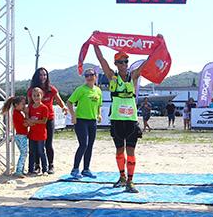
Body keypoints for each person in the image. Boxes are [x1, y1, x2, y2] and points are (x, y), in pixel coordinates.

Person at [94, 40, 159, 194]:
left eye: (126, 61)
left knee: (130, 151)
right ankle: (122, 177)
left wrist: (156, 46)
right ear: (116, 64)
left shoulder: (134, 76)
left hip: (131, 121)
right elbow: (101, 60)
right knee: (119, 151)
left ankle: (130, 181)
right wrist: (95, 43)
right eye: (120, 62)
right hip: (117, 119)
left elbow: (148, 62)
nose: (123, 64)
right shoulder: (112, 77)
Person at [27, 67, 67, 174]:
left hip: (49, 119)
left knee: (48, 144)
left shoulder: (51, 89)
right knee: (35, 144)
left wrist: (64, 107)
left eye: (44, 75)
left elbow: (59, 100)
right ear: (36, 76)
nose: (42, 77)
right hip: (35, 121)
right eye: (40, 75)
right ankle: (37, 165)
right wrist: (28, 119)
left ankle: (51, 165)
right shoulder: (31, 90)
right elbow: (29, 105)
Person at [67, 68, 103, 178]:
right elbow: (69, 102)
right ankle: (75, 169)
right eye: (86, 75)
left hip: (92, 121)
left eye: (91, 75)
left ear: (95, 76)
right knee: (83, 144)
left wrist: (99, 114)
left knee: (90, 145)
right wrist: (73, 115)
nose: (89, 77)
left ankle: (86, 169)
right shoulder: (81, 89)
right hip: (81, 121)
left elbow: (99, 104)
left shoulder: (98, 90)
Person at [2, 96, 28, 177]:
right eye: (22, 104)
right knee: (24, 153)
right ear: (16, 105)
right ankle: (19, 170)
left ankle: (21, 169)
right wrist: (27, 114)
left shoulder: (18, 113)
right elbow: (25, 124)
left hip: (20, 135)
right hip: (21, 135)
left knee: (23, 153)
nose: (24, 106)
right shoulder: (17, 114)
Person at [27, 87, 49, 175]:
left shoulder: (44, 108)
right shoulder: (30, 107)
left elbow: (44, 121)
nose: (36, 97)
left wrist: (34, 121)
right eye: (34, 95)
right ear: (31, 97)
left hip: (41, 134)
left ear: (42, 96)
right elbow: (27, 118)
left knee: (41, 151)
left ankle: (45, 169)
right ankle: (31, 169)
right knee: (32, 152)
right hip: (32, 133)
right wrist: (28, 121)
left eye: (38, 95)